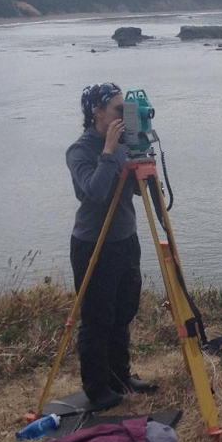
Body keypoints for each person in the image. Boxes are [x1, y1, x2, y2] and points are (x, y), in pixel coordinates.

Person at [66, 83, 158, 407]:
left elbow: (131, 189)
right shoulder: (81, 150)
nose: (124, 115)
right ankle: (97, 388)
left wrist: (142, 162)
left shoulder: (121, 145)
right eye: (119, 109)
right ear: (97, 112)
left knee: (122, 313)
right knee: (97, 319)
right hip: (94, 244)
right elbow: (95, 191)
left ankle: (121, 375)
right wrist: (108, 151)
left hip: (124, 239)